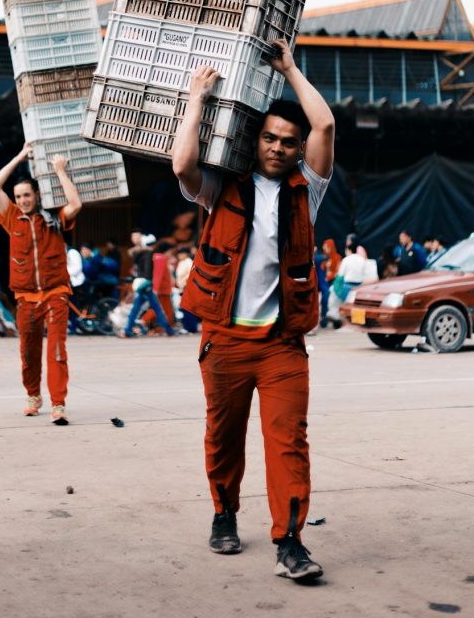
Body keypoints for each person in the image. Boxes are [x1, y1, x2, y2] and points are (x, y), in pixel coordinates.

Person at [172, 38, 334, 582]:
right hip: (226, 341)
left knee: (289, 441)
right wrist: (196, 98)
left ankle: (290, 541)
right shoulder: (222, 187)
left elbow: (326, 127)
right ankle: (224, 513)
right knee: (223, 436)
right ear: (254, 138)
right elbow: (183, 163)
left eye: (289, 142)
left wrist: (288, 68)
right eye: (270, 137)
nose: (279, 148)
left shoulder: (306, 191)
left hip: (283, 346)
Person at [0, 143, 81, 426]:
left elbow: (75, 204)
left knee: (56, 351)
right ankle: (33, 395)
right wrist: (18, 156)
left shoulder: (51, 218)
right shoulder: (11, 218)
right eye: (19, 196)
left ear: (36, 195)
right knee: (28, 352)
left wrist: (59, 171)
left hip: (56, 294)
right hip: (25, 298)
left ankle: (58, 403)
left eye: (27, 195)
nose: (23, 200)